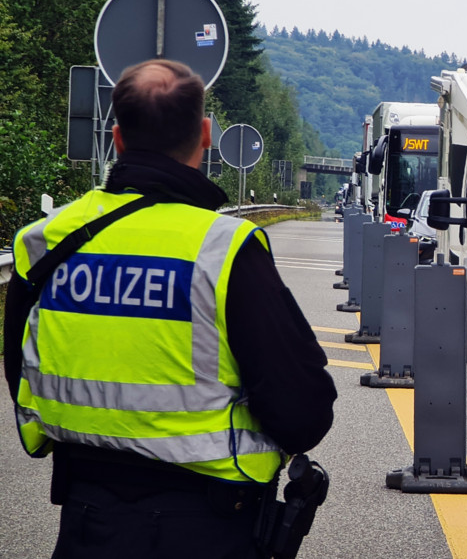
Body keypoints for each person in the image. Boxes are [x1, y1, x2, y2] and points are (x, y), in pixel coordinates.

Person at [3, 59, 337, 558]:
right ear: (205, 135)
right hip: (209, 526)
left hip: (84, 519)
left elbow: (20, 371)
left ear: (117, 138)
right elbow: (303, 409)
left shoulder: (45, 241)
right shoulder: (224, 249)